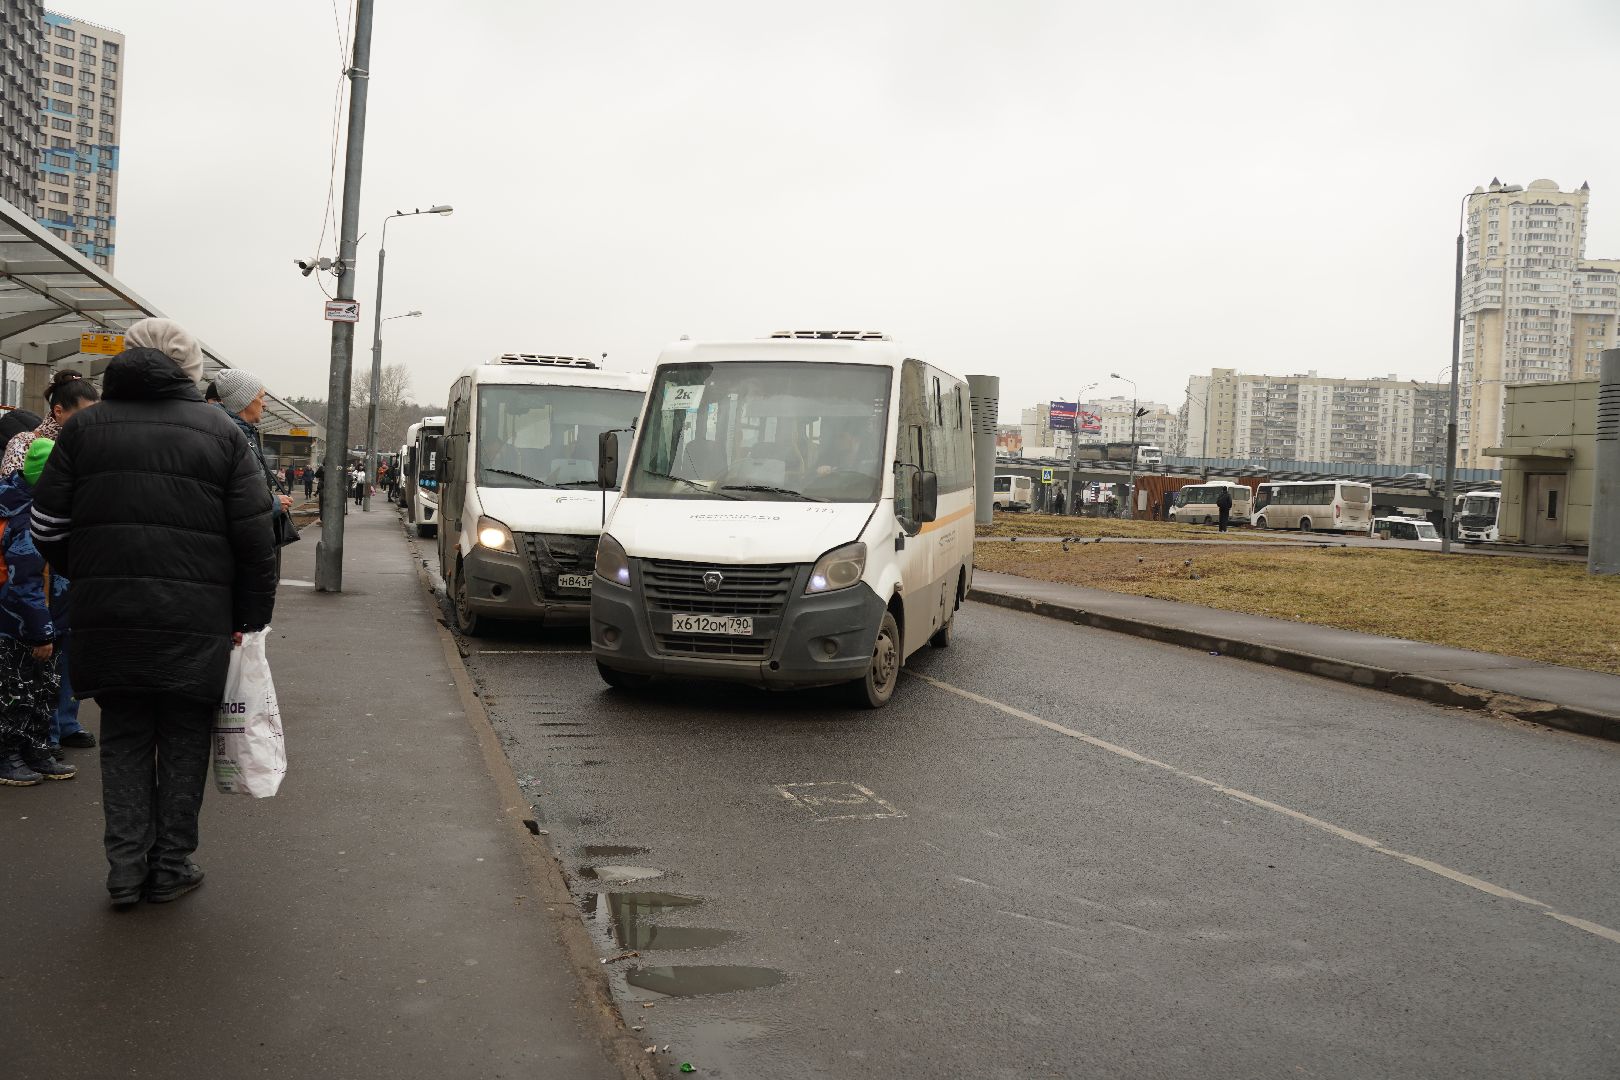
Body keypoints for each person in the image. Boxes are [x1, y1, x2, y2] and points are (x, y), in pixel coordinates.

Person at [32, 316, 277, 906]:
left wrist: (91, 572)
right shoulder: (220, 432)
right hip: (197, 622)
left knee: (123, 737)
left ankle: (123, 871)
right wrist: (248, 619)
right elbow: (256, 541)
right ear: (191, 370)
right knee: (186, 738)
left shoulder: (84, 429)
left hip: (108, 616)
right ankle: (170, 867)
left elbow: (46, 526)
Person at [0, 440, 73, 786]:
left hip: (49, 618)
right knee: (17, 690)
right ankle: (8, 753)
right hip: (20, 624)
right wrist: (41, 631)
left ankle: (37, 748)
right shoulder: (27, 518)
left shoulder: (45, 508)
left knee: (44, 690)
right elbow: (26, 581)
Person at [1, 370, 100, 478]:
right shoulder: (23, 443)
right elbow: (10, 490)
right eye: (85, 416)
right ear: (58, 411)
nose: (91, 422)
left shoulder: (93, 444)